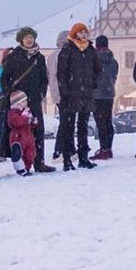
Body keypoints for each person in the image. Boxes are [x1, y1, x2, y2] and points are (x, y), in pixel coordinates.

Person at [1, 27, 55, 173]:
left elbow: (44, 78)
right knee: (21, 131)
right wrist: (12, 94)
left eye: (31, 37)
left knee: (38, 130)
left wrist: (41, 93)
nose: (29, 40)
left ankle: (39, 162)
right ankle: (23, 163)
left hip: (34, 100)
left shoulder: (39, 57)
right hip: (19, 102)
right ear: (21, 40)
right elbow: (5, 78)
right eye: (26, 37)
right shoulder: (14, 56)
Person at [55, 23, 101, 171]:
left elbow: (98, 70)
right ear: (75, 34)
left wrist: (93, 83)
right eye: (80, 32)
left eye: (85, 32)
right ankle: (67, 160)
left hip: (86, 94)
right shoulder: (67, 50)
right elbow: (61, 74)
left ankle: (83, 158)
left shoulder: (90, 50)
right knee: (68, 127)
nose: (83, 34)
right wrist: (65, 91)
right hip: (71, 95)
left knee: (83, 127)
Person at [92, 35, 119, 160]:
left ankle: (103, 149)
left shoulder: (93, 59)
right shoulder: (113, 60)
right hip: (109, 93)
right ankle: (108, 148)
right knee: (108, 121)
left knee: (100, 122)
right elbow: (114, 76)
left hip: (96, 94)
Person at [5, 90, 37, 176]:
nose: (26, 102)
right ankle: (20, 169)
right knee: (19, 154)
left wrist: (33, 122)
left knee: (30, 153)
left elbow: (30, 123)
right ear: (17, 103)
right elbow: (16, 122)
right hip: (18, 137)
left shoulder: (27, 111)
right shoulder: (13, 112)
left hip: (28, 136)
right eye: (23, 101)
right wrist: (26, 120)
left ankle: (27, 168)